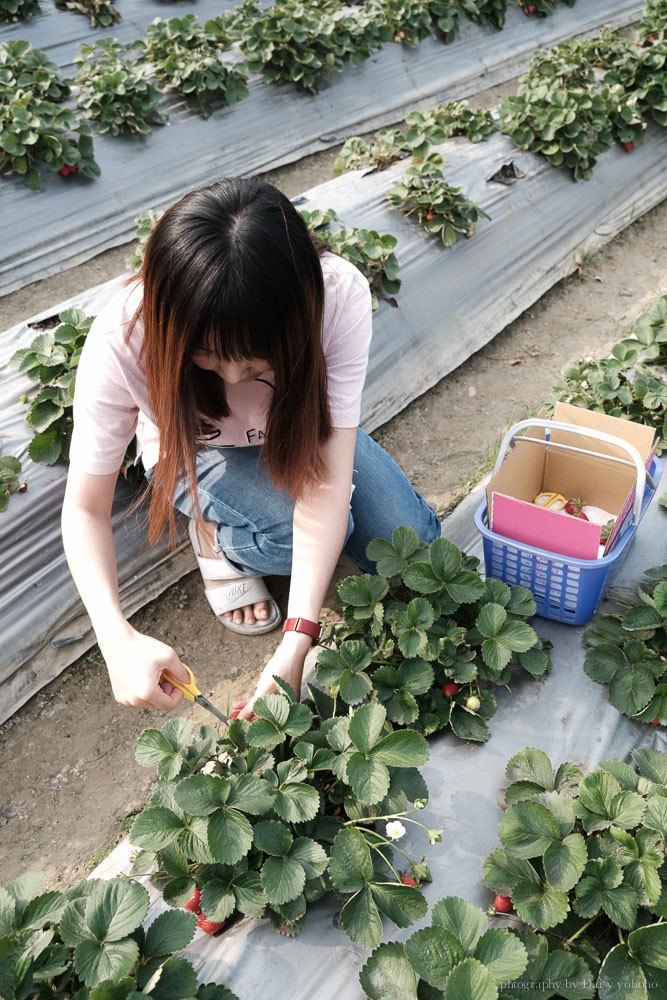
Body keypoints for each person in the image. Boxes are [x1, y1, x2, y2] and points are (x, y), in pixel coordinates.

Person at [61, 177, 441, 721]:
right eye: (210, 357)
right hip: (199, 452)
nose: (235, 376)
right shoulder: (124, 338)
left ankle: (249, 535)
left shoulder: (336, 297)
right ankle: (215, 540)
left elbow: (327, 482)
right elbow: (84, 508)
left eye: (257, 359)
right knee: (299, 538)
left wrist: (297, 639)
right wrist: (115, 638)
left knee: (416, 547)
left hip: (299, 436)